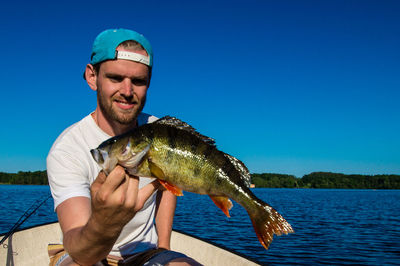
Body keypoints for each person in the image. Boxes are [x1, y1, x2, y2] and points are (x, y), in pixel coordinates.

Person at [47, 28, 201, 266]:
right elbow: (80, 248)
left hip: (144, 252)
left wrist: (164, 249)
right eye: (115, 78)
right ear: (92, 77)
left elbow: (167, 188)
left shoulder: (156, 129)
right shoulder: (68, 149)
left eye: (138, 81)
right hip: (83, 253)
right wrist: (103, 223)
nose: (127, 92)